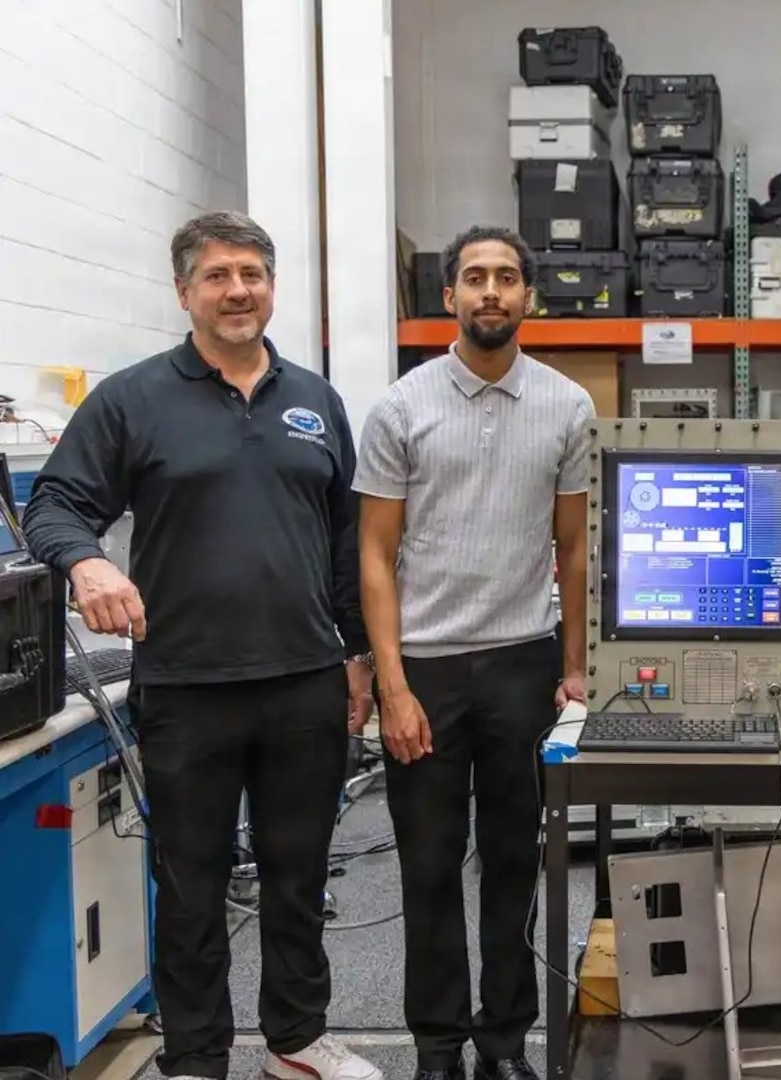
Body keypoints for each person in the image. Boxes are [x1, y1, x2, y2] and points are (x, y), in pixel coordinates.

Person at [21, 211, 381, 1080]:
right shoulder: (134, 399)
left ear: (271, 285)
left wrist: (360, 657)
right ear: (185, 291)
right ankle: (195, 1059)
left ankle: (295, 1042)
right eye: (218, 275)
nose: (238, 290)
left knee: (299, 880)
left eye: (252, 273)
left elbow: (343, 544)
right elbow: (54, 506)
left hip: (303, 683)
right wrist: (87, 568)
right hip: (187, 687)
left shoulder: (314, 399)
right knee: (191, 890)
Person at [353, 225, 593, 1080]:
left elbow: (572, 549)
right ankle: (438, 1047)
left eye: (506, 278)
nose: (490, 291)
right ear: (448, 296)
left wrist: (573, 667)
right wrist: (392, 685)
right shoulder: (400, 408)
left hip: (523, 664)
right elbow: (374, 556)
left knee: (511, 864)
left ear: (528, 296)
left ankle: (502, 1042)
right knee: (424, 867)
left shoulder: (567, 407)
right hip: (424, 667)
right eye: (473, 278)